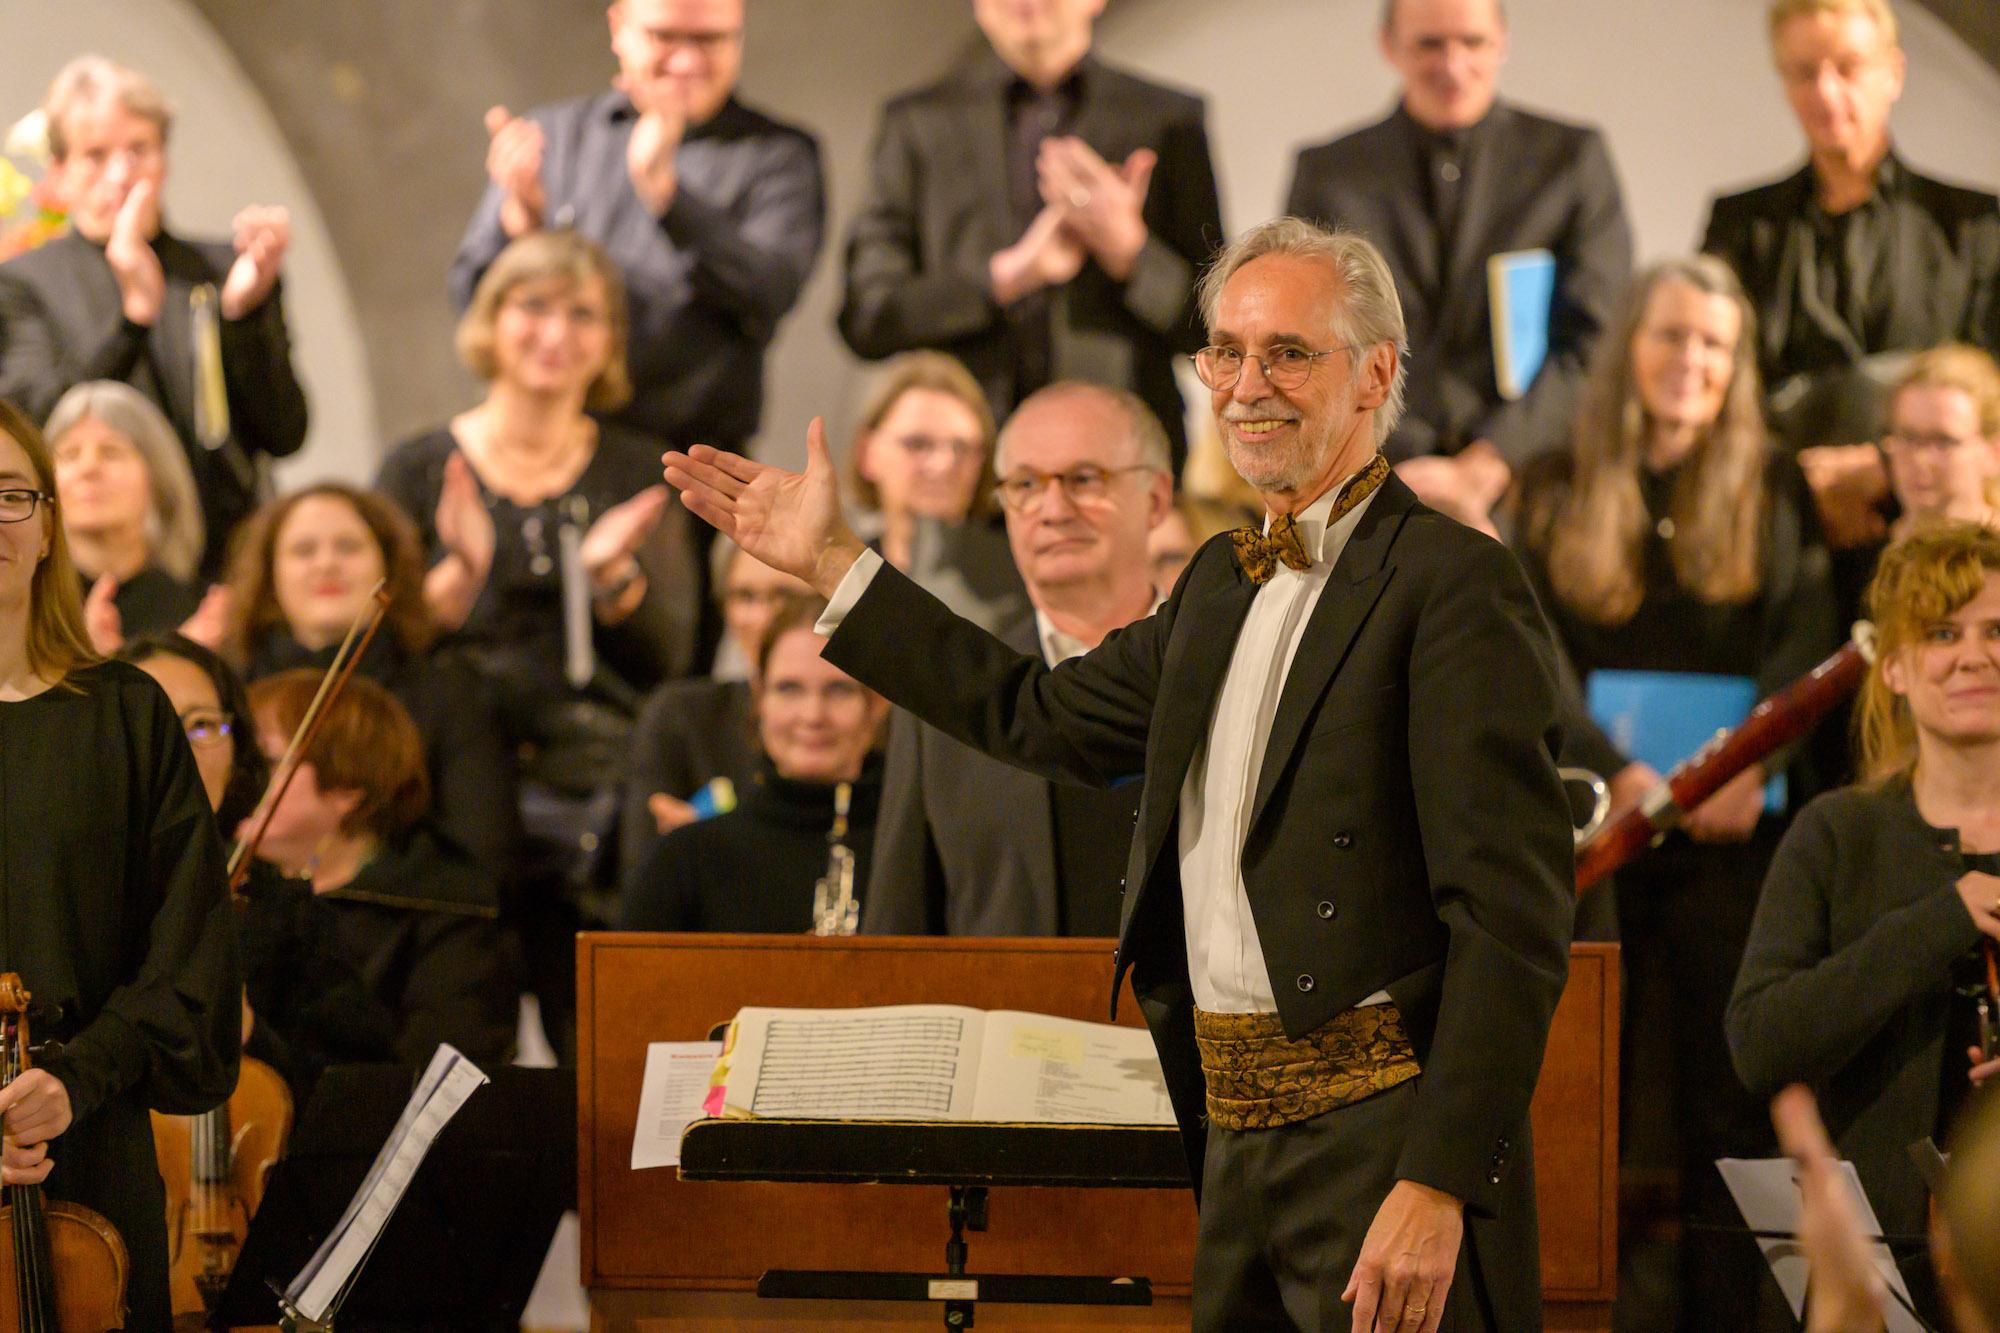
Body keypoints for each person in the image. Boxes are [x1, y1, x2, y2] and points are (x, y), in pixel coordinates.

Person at [668, 216, 1575, 1332]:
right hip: (1229, 1145)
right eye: (1225, 353)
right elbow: (1031, 713)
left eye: (1287, 353)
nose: (1248, 385)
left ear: (1373, 373)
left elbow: (1510, 920)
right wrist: (831, 566)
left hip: (1379, 1145)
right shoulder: (1214, 582)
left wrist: (1438, 1181)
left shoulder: (1450, 584)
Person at [1509, 253, 1838, 1328]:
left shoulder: (1774, 485)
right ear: (1628, 350)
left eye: (1711, 342)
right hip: (1597, 838)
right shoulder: (1556, 480)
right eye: (1668, 335)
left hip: (1732, 844)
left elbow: (1804, 641)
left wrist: (1749, 766)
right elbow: (1530, 648)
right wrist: (1615, 770)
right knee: (1577, 1095)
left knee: (1722, 1103)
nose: (1686, 359)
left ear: (1734, 364)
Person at [0, 398, 238, 1332]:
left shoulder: (128, 716)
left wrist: (71, 1079)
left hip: (89, 1158)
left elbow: (190, 962)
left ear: (51, 525)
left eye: (11, 495)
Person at [1729, 523, 2000, 1326]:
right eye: (1943, 633)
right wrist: (1941, 918)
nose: (1976, 656)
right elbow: (1759, 1040)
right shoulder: (1836, 833)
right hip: (1867, 1261)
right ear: (1895, 667)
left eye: (1996, 632)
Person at [1285, 0, 1633, 530]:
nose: (1452, 65)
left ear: (1503, 43)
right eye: (1429, 44)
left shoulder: (1571, 161)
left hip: (1537, 489)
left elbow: (1598, 339)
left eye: (1472, 42)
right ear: (1389, 46)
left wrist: (1492, 459)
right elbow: (1309, 343)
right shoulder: (1329, 173)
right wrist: (1403, 462)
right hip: (1376, 485)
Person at [838, 0, 1223, 470]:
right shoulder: (916, 123)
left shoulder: (1168, 120)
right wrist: (1006, 277)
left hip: (1122, 455)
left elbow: (1214, 331)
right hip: (960, 463)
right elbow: (867, 318)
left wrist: (1131, 252)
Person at [862, 382, 1170, 938]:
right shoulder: (950, 695)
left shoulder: (1225, 666)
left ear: (1156, 499)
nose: (1054, 509)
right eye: (1025, 485)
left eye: (1084, 479)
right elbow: (899, 930)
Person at [451, 0, 824, 459]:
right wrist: (523, 225)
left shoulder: (779, 156)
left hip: (686, 452)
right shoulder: (555, 135)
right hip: (544, 438)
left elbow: (769, 295)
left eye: (710, 39)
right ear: (618, 29)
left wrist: (663, 192)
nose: (686, 61)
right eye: (664, 37)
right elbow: (471, 303)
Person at [1701, 0, 2000, 540]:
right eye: (1804, 72)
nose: (1826, 93)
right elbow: (1717, 389)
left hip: (1938, 530)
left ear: (1894, 73)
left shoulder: (1974, 228)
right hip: (1779, 526)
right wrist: (1799, 483)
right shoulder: (1740, 227)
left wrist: (1882, 469)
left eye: (1848, 67)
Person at [0, 55, 307, 577]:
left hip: (223, 566)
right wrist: (133, 318)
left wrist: (245, 317)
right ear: (60, 174)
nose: (122, 175)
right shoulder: (24, 283)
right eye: (95, 156)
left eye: (139, 149)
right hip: (84, 572)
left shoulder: (223, 269)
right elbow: (34, 426)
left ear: (164, 157)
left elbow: (285, 434)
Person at [221, 483, 519, 883]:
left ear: (387, 570)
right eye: (303, 550)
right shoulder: (230, 695)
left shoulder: (447, 692)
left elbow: (484, 853)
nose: (326, 564)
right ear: (270, 576)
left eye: (348, 547)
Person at [242, 670, 517, 1094]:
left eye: (268, 761)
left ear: (346, 786)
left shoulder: (444, 910)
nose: (242, 779)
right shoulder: (231, 889)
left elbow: (431, 1090)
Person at [623, 601, 887, 933]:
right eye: (789, 689)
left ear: (875, 704)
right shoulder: (686, 861)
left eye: (839, 690)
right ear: (759, 698)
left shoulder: (920, 856)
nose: (813, 715)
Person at [619, 538, 810, 887]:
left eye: (783, 596)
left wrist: (710, 843)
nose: (763, 617)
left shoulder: (851, 723)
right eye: (745, 597)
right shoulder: (681, 714)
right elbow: (641, 872)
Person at [47, 379, 217, 653]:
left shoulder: (199, 614)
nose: (88, 468)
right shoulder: (22, 605)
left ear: (158, 478)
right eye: (69, 455)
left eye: (111, 452)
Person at [845, 350, 998, 573]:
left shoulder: (1021, 586)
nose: (943, 465)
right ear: (867, 452)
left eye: (962, 447)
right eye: (918, 444)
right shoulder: (833, 584)